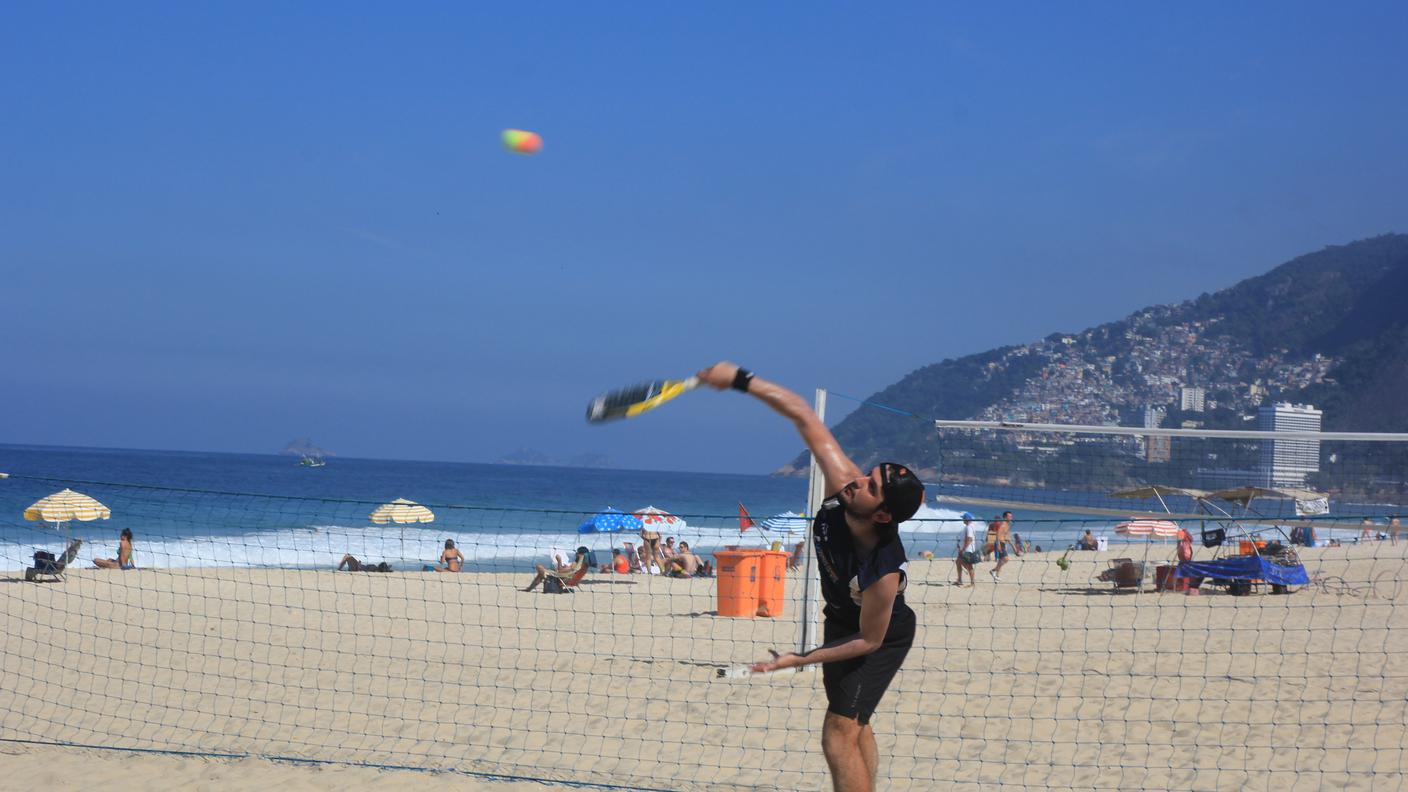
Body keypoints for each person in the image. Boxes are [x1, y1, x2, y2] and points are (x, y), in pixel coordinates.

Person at [696, 361, 923, 792]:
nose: (857, 481)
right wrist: (741, 380)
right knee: (857, 723)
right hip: (841, 620)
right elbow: (803, 413)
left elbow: (869, 641)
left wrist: (799, 658)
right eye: (867, 474)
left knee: (838, 734)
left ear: (882, 515)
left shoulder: (882, 569)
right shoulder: (844, 490)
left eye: (870, 486)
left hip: (880, 636)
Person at [523, 546, 588, 592]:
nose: (576, 553)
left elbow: (559, 571)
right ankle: (531, 587)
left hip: (560, 577)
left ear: (580, 554)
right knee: (541, 572)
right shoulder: (581, 564)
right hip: (565, 576)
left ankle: (532, 587)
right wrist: (565, 567)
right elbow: (567, 571)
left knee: (539, 567)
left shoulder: (575, 564)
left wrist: (559, 560)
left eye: (577, 552)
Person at [954, 512, 979, 587]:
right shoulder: (970, 526)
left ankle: (972, 583)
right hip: (965, 549)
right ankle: (959, 580)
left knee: (968, 565)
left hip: (967, 550)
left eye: (963, 519)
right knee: (958, 562)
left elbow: (969, 539)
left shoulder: (969, 527)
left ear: (966, 519)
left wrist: (963, 549)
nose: (963, 520)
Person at [990, 517, 1013, 582]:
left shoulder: (995, 524)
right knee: (1004, 559)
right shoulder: (1001, 525)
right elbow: (996, 534)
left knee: (1000, 560)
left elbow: (990, 532)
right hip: (999, 542)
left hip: (999, 542)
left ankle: (996, 576)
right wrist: (998, 543)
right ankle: (994, 572)